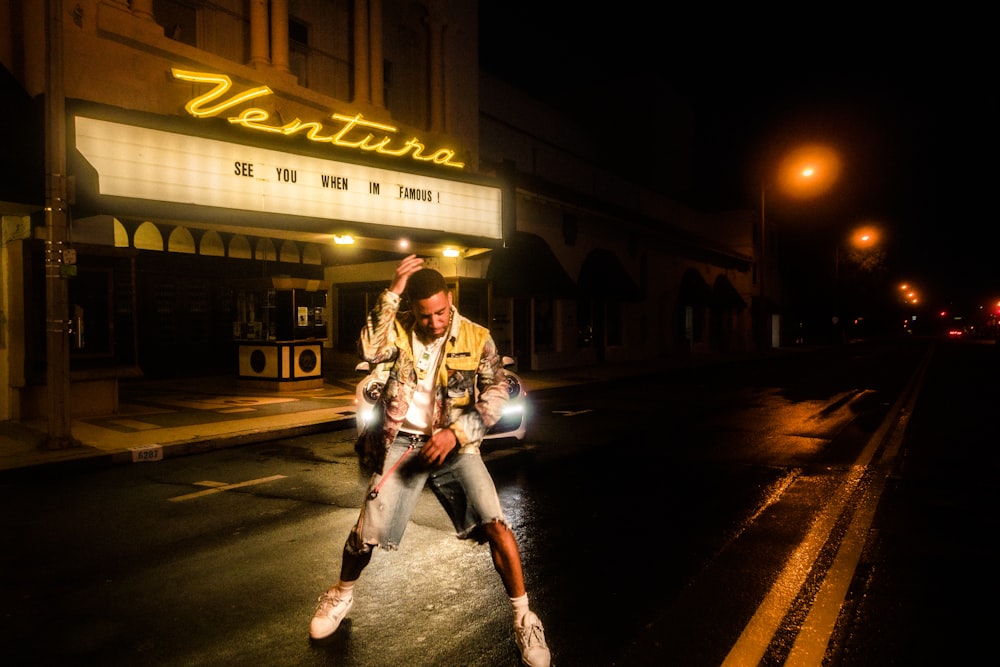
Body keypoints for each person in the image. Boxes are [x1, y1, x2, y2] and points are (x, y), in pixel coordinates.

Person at [310, 255, 550, 667]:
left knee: (495, 524)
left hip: (456, 445)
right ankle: (340, 594)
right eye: (426, 316)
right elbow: (368, 346)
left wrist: (456, 433)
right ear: (414, 311)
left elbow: (496, 394)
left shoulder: (477, 337)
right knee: (367, 532)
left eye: (441, 312)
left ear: (450, 300)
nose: (435, 322)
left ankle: (525, 618)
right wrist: (393, 290)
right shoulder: (399, 329)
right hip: (402, 443)